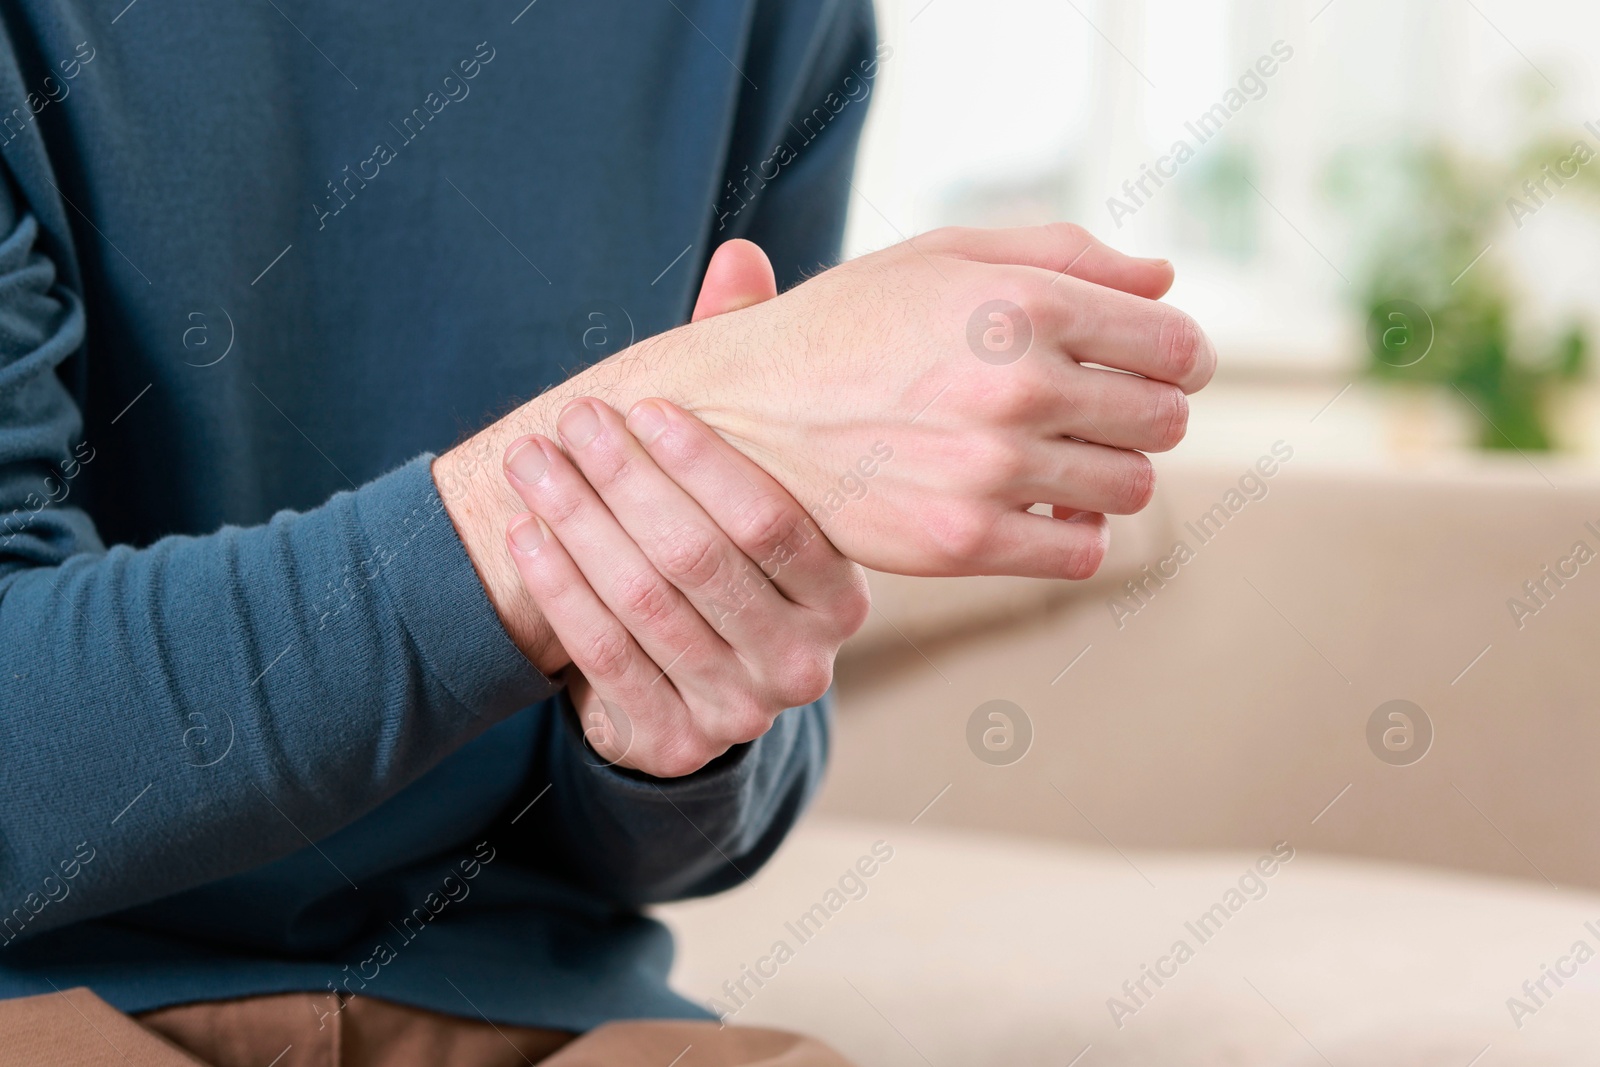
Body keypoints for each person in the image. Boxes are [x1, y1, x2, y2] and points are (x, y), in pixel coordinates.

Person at [0, 1, 1213, 1064]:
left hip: (559, 1014)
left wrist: (668, 738)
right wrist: (661, 428)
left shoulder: (775, 18)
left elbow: (716, 805)